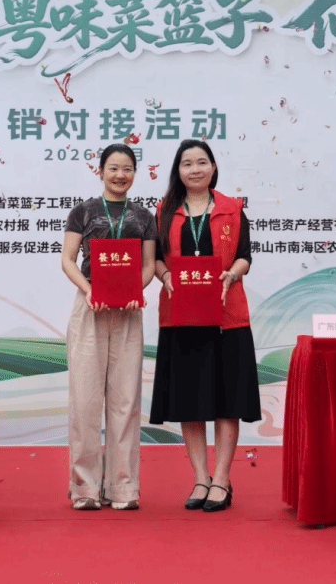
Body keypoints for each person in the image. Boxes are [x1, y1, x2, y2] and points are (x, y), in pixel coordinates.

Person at [149, 139, 261, 512]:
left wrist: (232, 273)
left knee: (228, 401)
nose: (195, 169)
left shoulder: (232, 209)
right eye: (187, 163)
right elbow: (157, 258)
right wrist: (165, 276)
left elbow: (245, 256)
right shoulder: (164, 211)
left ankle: (223, 479)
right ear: (177, 170)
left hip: (227, 317)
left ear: (213, 167)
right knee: (190, 401)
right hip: (182, 317)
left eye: (202, 162)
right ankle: (200, 477)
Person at [61, 143, 156, 511]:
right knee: (85, 400)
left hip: (128, 312)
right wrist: (89, 290)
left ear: (134, 173)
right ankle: (84, 487)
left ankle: (122, 487)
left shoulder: (144, 216)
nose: (120, 175)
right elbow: (68, 260)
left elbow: (148, 265)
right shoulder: (83, 212)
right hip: (90, 309)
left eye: (127, 169)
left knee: (125, 401)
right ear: (100, 171)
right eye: (113, 168)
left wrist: (136, 291)